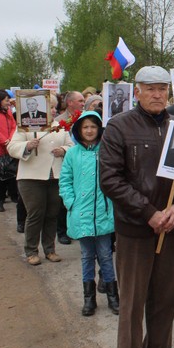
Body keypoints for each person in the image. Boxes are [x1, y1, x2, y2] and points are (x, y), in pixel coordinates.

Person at [100, 66, 174, 348]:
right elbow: (110, 179)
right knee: (132, 303)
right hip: (135, 230)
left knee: (165, 299)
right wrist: (149, 213)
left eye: (162, 88)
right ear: (137, 91)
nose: (157, 94)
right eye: (150, 88)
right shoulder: (119, 127)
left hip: (170, 228)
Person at [59, 111, 119, 316]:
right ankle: (89, 299)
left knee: (105, 255)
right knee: (86, 256)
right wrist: (71, 202)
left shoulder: (107, 151)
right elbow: (65, 180)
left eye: (93, 126)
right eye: (85, 127)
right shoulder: (72, 154)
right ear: (78, 130)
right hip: (81, 213)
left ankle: (113, 296)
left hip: (102, 212)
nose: (89, 130)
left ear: (99, 129)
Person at [7, 104, 73, 266]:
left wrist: (63, 150)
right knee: (36, 214)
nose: (51, 110)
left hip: (55, 176)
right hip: (31, 177)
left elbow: (71, 146)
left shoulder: (59, 126)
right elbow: (11, 146)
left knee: (52, 214)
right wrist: (27, 146)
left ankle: (50, 249)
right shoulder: (25, 126)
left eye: (53, 107)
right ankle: (31, 251)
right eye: (48, 106)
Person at [55, 90, 85, 245]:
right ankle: (61, 231)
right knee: (65, 198)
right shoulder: (59, 121)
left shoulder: (86, 117)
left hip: (84, 162)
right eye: (80, 100)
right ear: (70, 103)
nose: (83, 102)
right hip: (65, 162)